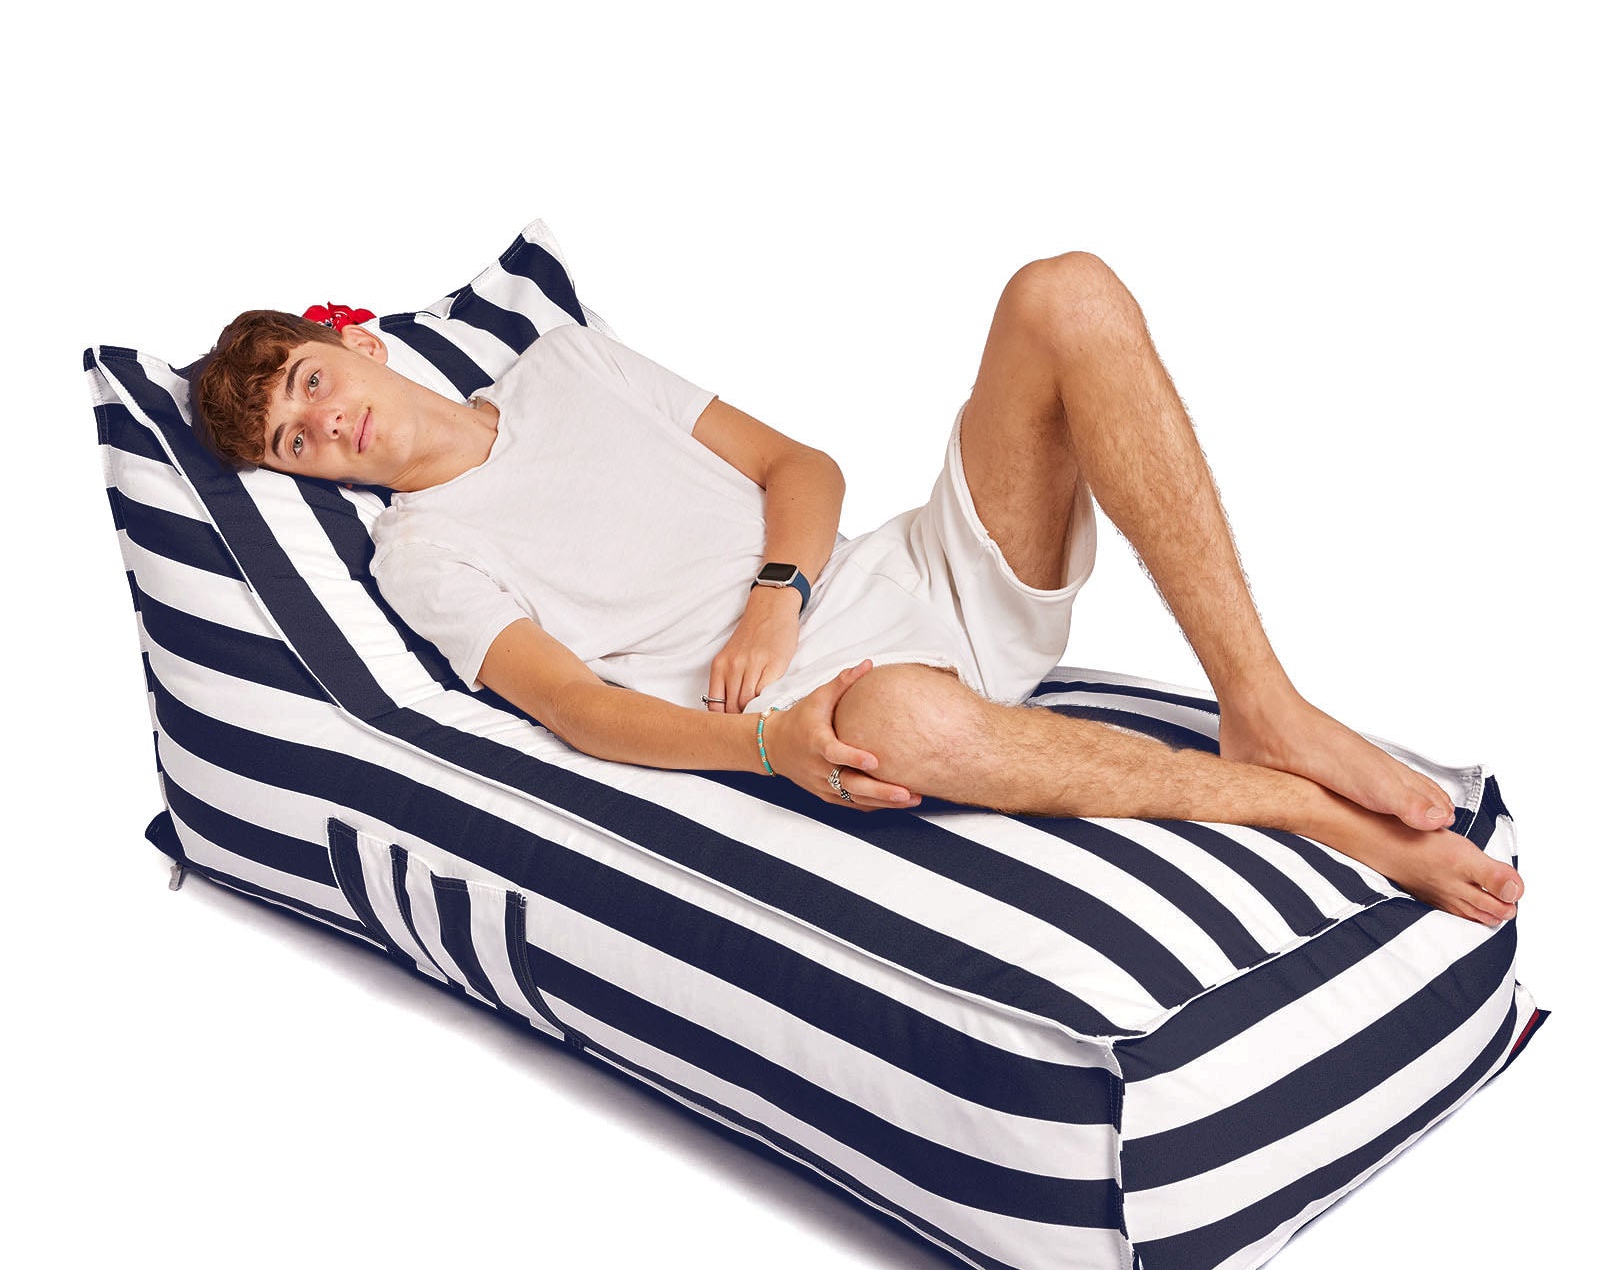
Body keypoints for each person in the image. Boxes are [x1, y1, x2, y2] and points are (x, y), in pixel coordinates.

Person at [191, 252, 1523, 928]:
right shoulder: (418, 552)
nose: (326, 426)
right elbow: (580, 711)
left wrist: (779, 588)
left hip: (904, 569)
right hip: (842, 703)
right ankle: (1302, 809)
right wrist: (770, 743)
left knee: (1062, 293)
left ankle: (1263, 701)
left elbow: (803, 468)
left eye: (310, 384)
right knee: (893, 716)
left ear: (353, 344)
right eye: (293, 444)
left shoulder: (564, 367)